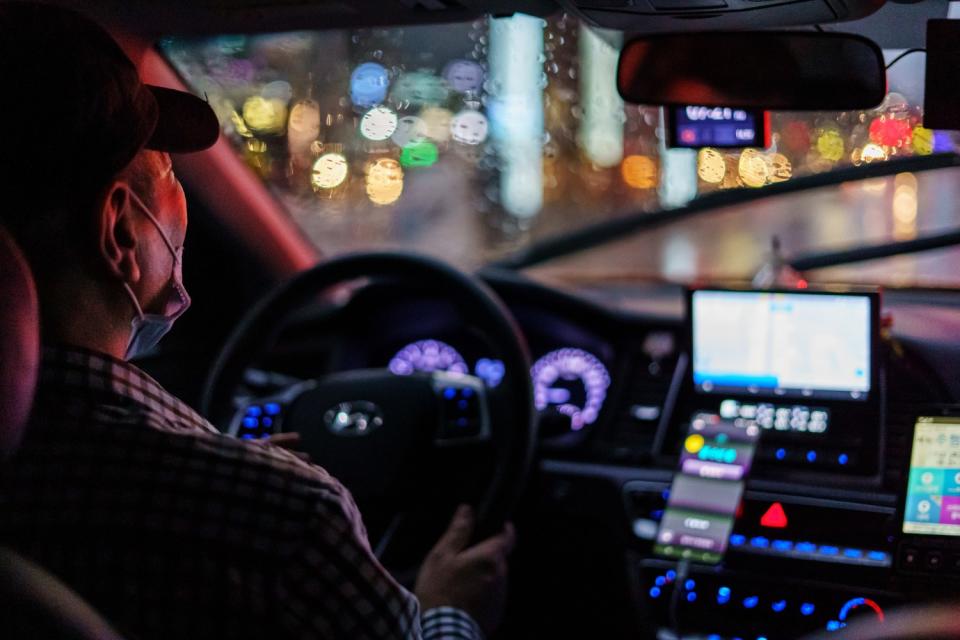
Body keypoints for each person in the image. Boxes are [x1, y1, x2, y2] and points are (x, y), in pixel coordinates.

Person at [0, 4, 514, 639]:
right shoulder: (284, 523)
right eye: (166, 172)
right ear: (120, 234)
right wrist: (446, 610)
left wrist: (224, 464)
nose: (179, 197)